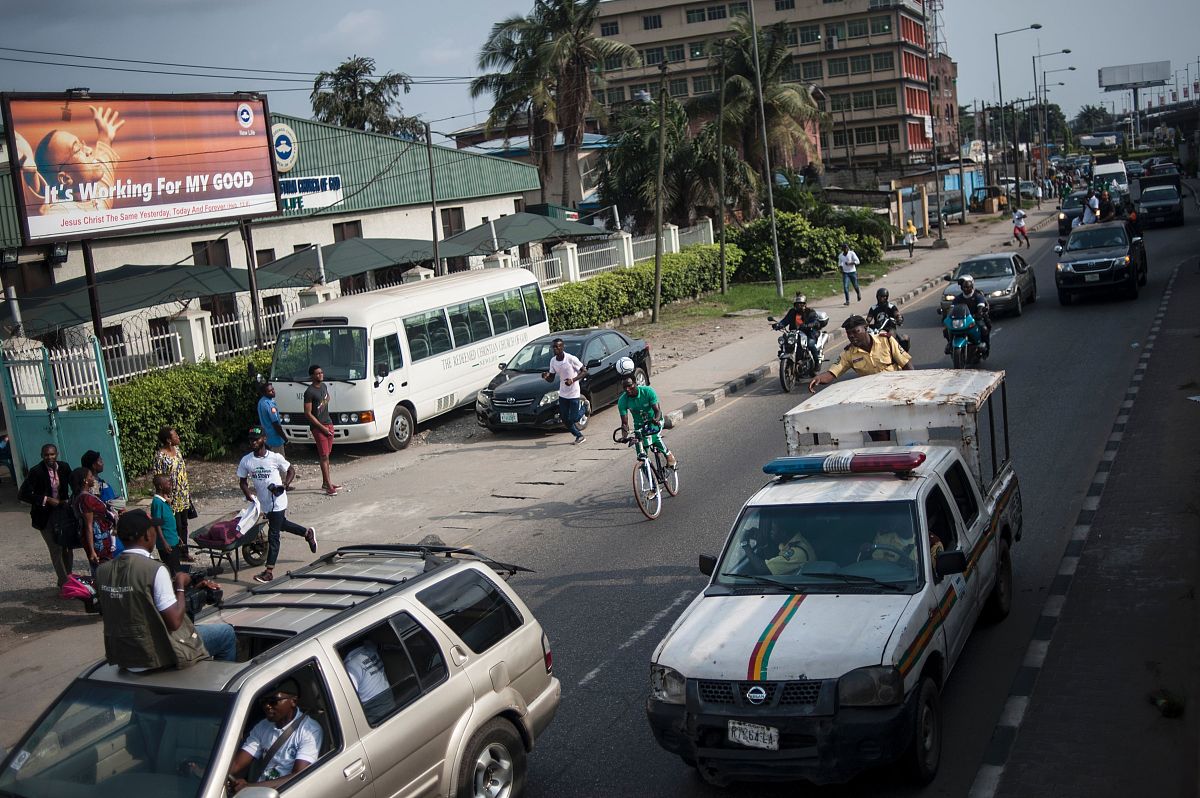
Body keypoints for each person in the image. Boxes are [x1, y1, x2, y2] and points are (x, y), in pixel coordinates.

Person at [94, 509, 237, 669]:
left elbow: (136, 600)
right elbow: (174, 622)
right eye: (153, 529)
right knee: (226, 634)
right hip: (154, 654)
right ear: (147, 535)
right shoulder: (155, 569)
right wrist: (181, 586)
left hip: (124, 654)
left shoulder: (102, 571)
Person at [239, 427, 317, 584]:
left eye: (256, 439)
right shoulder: (246, 460)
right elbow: (242, 481)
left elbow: (291, 470)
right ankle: (307, 533)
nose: (253, 442)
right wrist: (248, 494)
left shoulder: (274, 458)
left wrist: (285, 484)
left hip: (278, 500)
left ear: (264, 439)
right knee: (282, 525)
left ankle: (269, 572)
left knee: (274, 534)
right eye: (251, 439)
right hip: (264, 503)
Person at [225, 677, 322, 794]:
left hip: (288, 792)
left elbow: (299, 776)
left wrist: (250, 787)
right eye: (263, 701)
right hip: (259, 792)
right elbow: (237, 764)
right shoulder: (262, 726)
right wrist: (213, 775)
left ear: (293, 701)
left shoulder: (309, 730)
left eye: (273, 701)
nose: (267, 706)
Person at [33, 105, 125, 215]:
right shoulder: (59, 212)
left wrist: (105, 136)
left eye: (83, 144)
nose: (89, 150)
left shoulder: (100, 196)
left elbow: (104, 163)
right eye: (77, 150)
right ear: (65, 179)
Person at [18, 443, 75, 588]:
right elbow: (23, 494)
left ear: (57, 454)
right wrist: (46, 499)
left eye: (52, 454)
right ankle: (65, 584)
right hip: (44, 516)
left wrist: (72, 500)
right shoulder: (36, 471)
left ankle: (67, 578)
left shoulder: (64, 467)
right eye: (46, 455)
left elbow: (74, 484)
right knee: (55, 548)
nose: (49, 457)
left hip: (62, 514)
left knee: (67, 547)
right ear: (41, 456)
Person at [808, 315, 913, 392]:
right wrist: (818, 379)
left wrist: (912, 387)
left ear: (866, 329)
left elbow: (906, 364)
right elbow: (832, 373)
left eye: (855, 332)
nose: (852, 336)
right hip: (871, 393)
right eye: (849, 333)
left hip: (896, 388)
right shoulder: (849, 354)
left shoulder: (886, 341)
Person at [153, 426, 194, 564]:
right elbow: (157, 476)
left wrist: (187, 492)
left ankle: (184, 551)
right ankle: (176, 551)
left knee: (184, 524)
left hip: (183, 493)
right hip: (171, 496)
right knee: (174, 524)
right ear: (168, 440)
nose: (178, 437)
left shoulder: (178, 451)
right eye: (175, 435)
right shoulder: (160, 456)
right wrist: (164, 496)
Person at [617, 377, 677, 468]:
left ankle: (668, 454)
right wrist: (624, 436)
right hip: (639, 426)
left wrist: (656, 420)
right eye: (624, 387)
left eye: (630, 386)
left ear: (635, 383)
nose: (627, 389)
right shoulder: (622, 400)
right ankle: (650, 479)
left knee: (652, 436)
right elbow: (624, 423)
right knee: (640, 455)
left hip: (654, 421)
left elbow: (657, 411)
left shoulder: (648, 391)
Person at [72, 468, 118, 574]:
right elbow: (88, 526)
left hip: (102, 536)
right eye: (91, 476)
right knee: (103, 567)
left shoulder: (86, 496)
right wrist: (92, 551)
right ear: (85, 480)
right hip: (98, 540)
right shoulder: (86, 500)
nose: (93, 478)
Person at [543, 338, 588, 445]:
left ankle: (585, 407)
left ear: (562, 347)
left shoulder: (571, 359)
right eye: (554, 347)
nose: (555, 349)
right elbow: (551, 379)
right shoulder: (553, 361)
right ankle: (579, 436)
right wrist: (546, 377)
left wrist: (573, 380)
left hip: (574, 392)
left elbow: (585, 371)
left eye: (558, 346)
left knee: (573, 418)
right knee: (565, 419)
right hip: (563, 393)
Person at [342, 638, 396, 725]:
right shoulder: (370, 650)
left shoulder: (351, 667)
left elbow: (349, 701)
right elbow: (373, 644)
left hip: (376, 716)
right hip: (391, 705)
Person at [303, 365, 338, 496]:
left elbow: (327, 397)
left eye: (321, 373)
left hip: (328, 423)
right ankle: (328, 486)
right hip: (319, 427)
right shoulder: (309, 392)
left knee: (327, 455)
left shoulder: (323, 387)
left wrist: (324, 404)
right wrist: (321, 427)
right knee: (323, 456)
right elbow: (307, 413)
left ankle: (326, 482)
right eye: (317, 373)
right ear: (312, 376)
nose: (320, 375)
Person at [772, 293, 821, 368]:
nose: (799, 306)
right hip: (795, 333)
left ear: (805, 304)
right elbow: (785, 320)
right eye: (797, 304)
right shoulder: (792, 312)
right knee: (785, 342)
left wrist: (809, 325)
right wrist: (779, 325)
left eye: (801, 304)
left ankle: (817, 363)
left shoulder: (810, 311)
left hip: (808, 332)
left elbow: (815, 321)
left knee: (810, 344)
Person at [949, 275, 992, 354]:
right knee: (948, 329)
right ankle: (950, 344)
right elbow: (952, 309)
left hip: (975, 319)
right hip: (962, 320)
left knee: (984, 328)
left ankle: (985, 347)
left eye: (967, 286)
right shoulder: (958, 298)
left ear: (971, 286)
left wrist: (979, 313)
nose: (965, 289)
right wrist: (948, 315)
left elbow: (981, 306)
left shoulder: (978, 296)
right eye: (963, 287)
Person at [151, 474, 182, 574]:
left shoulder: (164, 501)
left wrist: (177, 536)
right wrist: (164, 542)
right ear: (160, 486)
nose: (171, 486)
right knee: (173, 571)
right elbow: (157, 524)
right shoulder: (157, 503)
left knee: (176, 567)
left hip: (173, 540)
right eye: (169, 484)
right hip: (167, 544)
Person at [866, 287, 910, 352]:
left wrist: (899, 319)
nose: (882, 298)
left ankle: (896, 352)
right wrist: (864, 324)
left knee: (891, 336)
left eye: (884, 296)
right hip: (877, 328)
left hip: (889, 327)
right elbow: (868, 319)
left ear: (887, 297)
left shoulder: (891, 306)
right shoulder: (873, 308)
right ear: (877, 297)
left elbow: (897, 314)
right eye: (880, 296)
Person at [257, 382, 288, 457]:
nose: (273, 391)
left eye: (273, 389)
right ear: (264, 393)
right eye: (270, 391)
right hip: (275, 440)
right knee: (280, 463)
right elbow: (275, 423)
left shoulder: (261, 402)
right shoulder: (270, 405)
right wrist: (285, 438)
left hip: (267, 439)